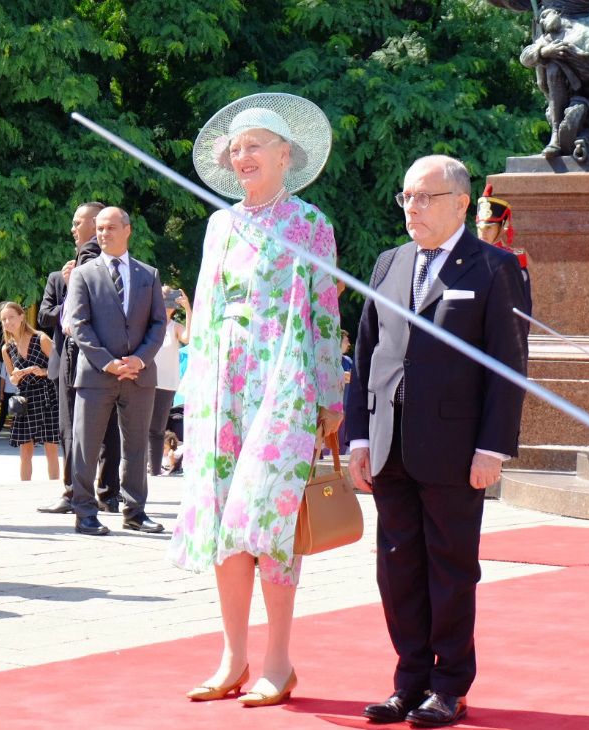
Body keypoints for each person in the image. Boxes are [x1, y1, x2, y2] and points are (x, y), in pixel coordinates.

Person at [169, 92, 342, 707]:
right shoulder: (222, 224)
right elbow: (206, 307)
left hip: (283, 385)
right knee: (221, 520)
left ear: (285, 154)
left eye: (253, 147)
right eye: (234, 149)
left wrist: (329, 397)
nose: (241, 157)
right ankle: (232, 657)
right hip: (221, 386)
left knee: (267, 519)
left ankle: (278, 660)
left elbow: (325, 315)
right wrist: (193, 393)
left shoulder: (310, 224)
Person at [347, 155, 530, 728]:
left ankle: (450, 684)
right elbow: (368, 352)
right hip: (389, 442)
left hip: (455, 448)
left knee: (450, 568)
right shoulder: (388, 263)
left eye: (425, 197)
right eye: (406, 197)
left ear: (459, 202)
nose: (413, 208)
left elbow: (508, 365)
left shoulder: (494, 268)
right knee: (397, 568)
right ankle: (410, 681)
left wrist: (493, 448)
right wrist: (357, 437)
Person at [64, 206, 166, 536]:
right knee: (86, 446)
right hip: (96, 375)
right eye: (99, 229)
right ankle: (84, 512)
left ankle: (135, 511)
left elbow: (158, 322)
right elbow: (79, 324)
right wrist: (107, 361)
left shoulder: (147, 274)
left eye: (109, 228)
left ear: (127, 229)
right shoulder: (84, 273)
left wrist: (140, 359)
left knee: (136, 446)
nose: (103, 234)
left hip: (139, 375)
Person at [37, 202, 124, 514]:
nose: (74, 229)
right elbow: (48, 314)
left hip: (83, 354)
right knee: (103, 426)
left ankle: (77, 492)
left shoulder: (88, 256)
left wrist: (76, 281)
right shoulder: (115, 263)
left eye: (79, 222)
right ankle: (106, 492)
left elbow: (87, 310)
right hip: (105, 354)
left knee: (75, 426)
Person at [0, 301, 61, 481]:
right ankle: (24, 489)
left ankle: (55, 488)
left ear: (21, 317)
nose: (7, 322)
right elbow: (11, 377)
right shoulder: (6, 348)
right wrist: (15, 376)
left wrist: (44, 371)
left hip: (48, 394)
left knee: (51, 447)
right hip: (25, 398)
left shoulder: (40, 338)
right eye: (4, 319)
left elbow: (62, 366)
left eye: (11, 317)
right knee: (25, 449)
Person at [148, 285, 190, 476]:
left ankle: (155, 469)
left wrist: (188, 309)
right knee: (139, 427)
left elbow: (189, 338)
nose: (166, 302)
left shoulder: (174, 327)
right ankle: (139, 468)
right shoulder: (147, 324)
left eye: (170, 298)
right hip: (145, 382)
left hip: (166, 384)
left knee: (157, 429)